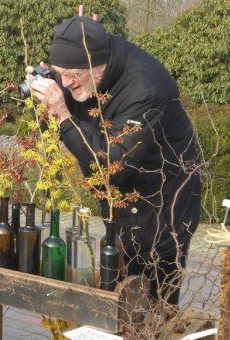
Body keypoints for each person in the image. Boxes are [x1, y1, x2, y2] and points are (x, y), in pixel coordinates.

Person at [30, 16, 201, 304]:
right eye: (60, 73)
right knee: (116, 301)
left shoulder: (146, 88)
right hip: (123, 208)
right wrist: (51, 93)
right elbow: (83, 110)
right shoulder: (97, 67)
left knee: (149, 308)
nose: (66, 82)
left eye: (73, 74)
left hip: (162, 210)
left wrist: (62, 113)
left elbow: (112, 167)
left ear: (99, 65)